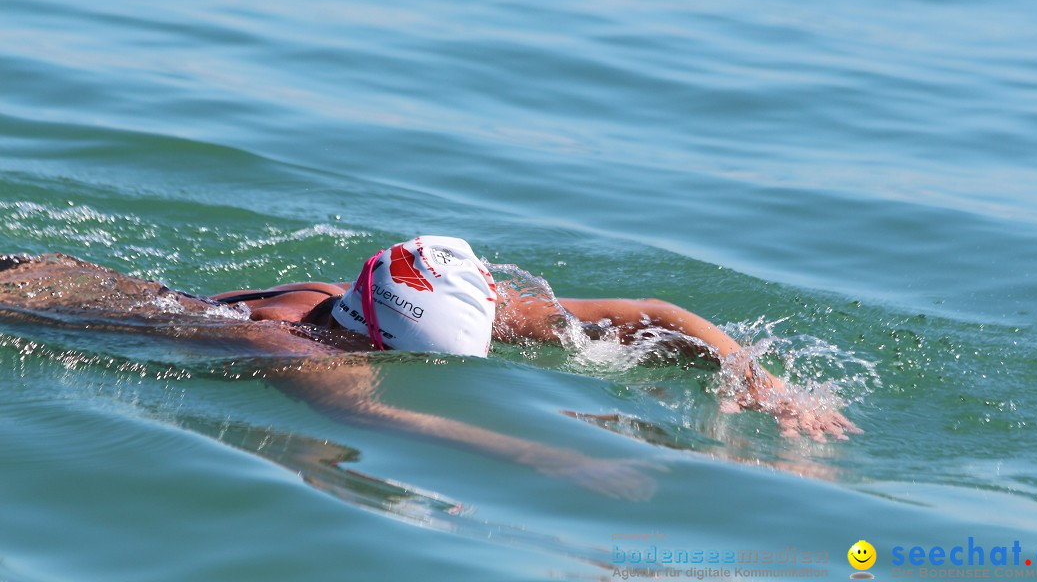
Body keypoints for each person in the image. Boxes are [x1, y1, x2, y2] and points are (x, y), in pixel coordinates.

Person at [0, 236, 857, 496]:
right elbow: (378, 420)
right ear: (377, 341)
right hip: (37, 299)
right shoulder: (288, 345)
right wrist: (556, 457)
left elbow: (656, 319)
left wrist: (753, 374)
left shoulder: (385, 306)